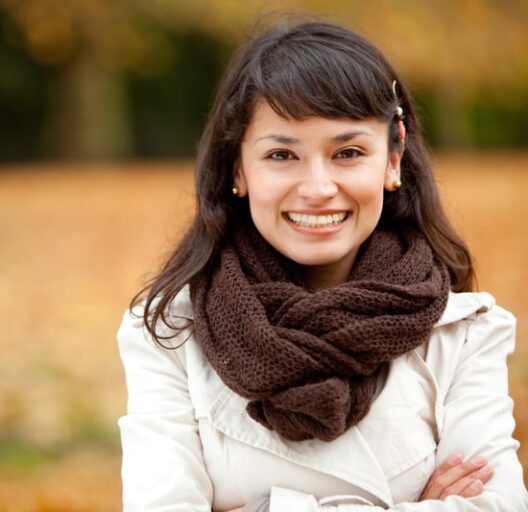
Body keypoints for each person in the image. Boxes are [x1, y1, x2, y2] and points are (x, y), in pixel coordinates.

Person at [116, 19, 528, 511]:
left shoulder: (460, 332)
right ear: (237, 168)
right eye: (282, 154)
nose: (317, 188)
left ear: (393, 158)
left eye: (348, 152)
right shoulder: (171, 332)